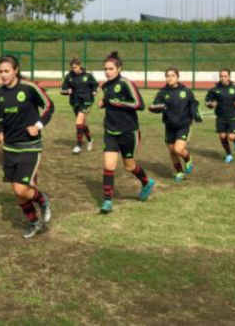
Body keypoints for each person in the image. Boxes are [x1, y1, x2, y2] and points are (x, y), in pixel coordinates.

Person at [0, 55, 54, 238]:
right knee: (19, 194)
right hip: (10, 148)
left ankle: (43, 200)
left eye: (6, 71)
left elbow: (49, 106)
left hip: (30, 145)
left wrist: (38, 125)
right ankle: (34, 222)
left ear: (15, 70)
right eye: (0, 71)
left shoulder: (29, 88)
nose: (2, 75)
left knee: (21, 189)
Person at [98, 51, 154, 214]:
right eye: (105, 69)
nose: (107, 72)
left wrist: (117, 102)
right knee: (109, 165)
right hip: (110, 131)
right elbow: (109, 100)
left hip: (129, 132)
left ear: (119, 68)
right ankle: (107, 201)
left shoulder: (126, 83)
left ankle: (146, 182)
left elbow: (139, 104)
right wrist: (104, 102)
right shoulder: (105, 85)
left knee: (129, 167)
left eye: (110, 69)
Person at [148, 67, 202, 182]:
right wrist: (159, 107)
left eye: (172, 75)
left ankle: (188, 159)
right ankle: (179, 173)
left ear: (177, 77)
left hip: (184, 125)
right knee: (172, 151)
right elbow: (153, 106)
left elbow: (193, 104)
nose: (170, 78)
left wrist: (196, 114)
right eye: (168, 76)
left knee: (178, 150)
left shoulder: (186, 91)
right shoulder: (162, 93)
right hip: (169, 126)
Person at [204, 68, 235, 163]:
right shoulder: (214, 89)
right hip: (221, 117)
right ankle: (229, 154)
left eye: (225, 76)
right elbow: (207, 102)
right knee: (223, 137)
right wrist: (211, 104)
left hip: (234, 116)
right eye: (221, 76)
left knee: (231, 137)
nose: (223, 78)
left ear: (229, 76)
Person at [60, 57, 98, 154]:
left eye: (76, 67)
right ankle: (90, 140)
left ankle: (79, 145)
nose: (74, 69)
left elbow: (95, 84)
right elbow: (62, 89)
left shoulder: (88, 75)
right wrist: (66, 91)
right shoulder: (69, 76)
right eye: (72, 68)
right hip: (75, 102)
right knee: (82, 123)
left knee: (78, 122)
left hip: (87, 101)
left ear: (79, 65)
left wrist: (94, 90)